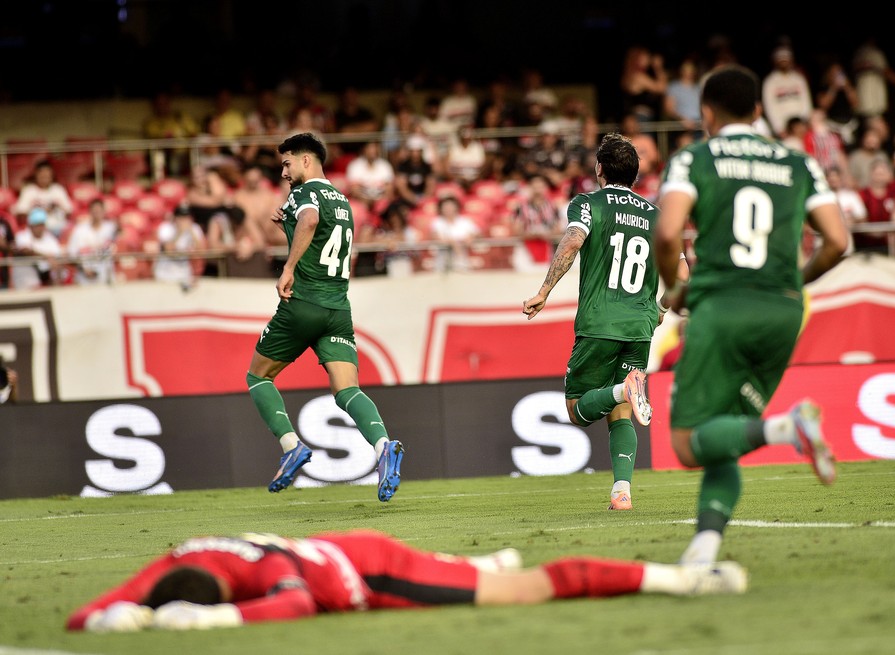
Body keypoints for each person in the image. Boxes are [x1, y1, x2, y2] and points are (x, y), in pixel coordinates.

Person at [653, 65, 849, 566]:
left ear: (707, 115)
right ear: (759, 110)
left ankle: (787, 429)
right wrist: (792, 284)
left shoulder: (694, 157)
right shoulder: (797, 161)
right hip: (782, 312)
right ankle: (704, 548)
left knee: (687, 445)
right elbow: (838, 242)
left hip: (721, 308)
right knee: (729, 434)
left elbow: (668, 232)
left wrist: (676, 287)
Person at [66, 528, 747, 633]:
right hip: (344, 543)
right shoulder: (177, 560)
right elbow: (90, 611)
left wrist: (220, 619)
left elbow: (296, 599)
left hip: (373, 571)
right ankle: (481, 563)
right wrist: (102, 616)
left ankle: (682, 579)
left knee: (535, 589)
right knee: (479, 571)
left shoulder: (261, 574)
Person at [247, 132, 404, 500]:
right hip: (338, 308)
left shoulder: (304, 195)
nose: (283, 172)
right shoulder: (345, 201)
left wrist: (287, 268)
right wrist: (286, 221)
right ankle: (383, 447)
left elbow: (311, 220)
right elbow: (320, 232)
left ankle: (291, 447)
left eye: (287, 163)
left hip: (303, 303)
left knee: (258, 376)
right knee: (347, 389)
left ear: (305, 160)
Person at [523, 133, 671, 511]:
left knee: (577, 410)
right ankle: (621, 492)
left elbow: (573, 241)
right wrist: (661, 310)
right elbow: (682, 272)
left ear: (599, 168)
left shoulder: (588, 203)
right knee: (621, 415)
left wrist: (544, 290)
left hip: (599, 322)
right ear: (636, 174)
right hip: (640, 325)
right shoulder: (656, 215)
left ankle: (625, 390)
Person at [761, 45, 814, 140]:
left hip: (800, 125)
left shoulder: (799, 79)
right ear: (776, 61)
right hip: (784, 128)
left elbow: (806, 101)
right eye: (781, 60)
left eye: (786, 59)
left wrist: (804, 123)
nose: (784, 62)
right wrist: (779, 128)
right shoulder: (770, 81)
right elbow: (769, 106)